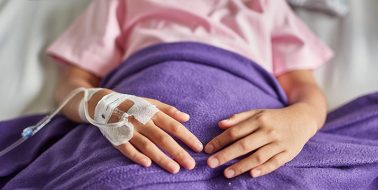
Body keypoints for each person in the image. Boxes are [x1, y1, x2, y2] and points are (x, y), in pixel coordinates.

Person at [47, 0, 333, 179]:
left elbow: (304, 88)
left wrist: (303, 119)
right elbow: (71, 85)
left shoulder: (266, 5)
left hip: (249, 121)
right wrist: (101, 104)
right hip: (136, 123)